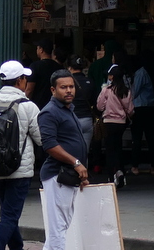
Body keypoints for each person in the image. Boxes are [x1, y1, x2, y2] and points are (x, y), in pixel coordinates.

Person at [0, 60, 43, 250]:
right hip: (20, 169)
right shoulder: (28, 106)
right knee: (10, 215)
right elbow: (41, 138)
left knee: (8, 214)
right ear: (20, 81)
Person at [38, 68, 90, 250]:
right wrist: (76, 163)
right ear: (53, 90)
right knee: (59, 227)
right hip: (57, 175)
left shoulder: (68, 110)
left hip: (69, 175)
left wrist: (80, 172)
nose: (69, 90)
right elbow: (50, 145)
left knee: (62, 224)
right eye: (63, 87)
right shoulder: (49, 112)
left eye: (71, 86)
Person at [96, 64, 134, 188]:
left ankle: (111, 176)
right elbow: (130, 109)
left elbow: (99, 107)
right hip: (121, 123)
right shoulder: (126, 91)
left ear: (112, 77)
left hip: (108, 122)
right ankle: (120, 171)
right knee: (118, 148)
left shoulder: (106, 90)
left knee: (109, 150)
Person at [130, 50, 154, 175]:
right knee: (151, 138)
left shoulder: (141, 72)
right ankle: (153, 166)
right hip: (153, 108)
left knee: (136, 138)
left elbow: (134, 92)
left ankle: (135, 166)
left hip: (139, 108)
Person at [67, 56, 96, 152]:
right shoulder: (90, 82)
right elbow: (95, 101)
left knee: (70, 152)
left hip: (71, 118)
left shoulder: (67, 84)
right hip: (87, 119)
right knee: (84, 152)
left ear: (69, 68)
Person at [27, 38, 62, 110]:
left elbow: (29, 89)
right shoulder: (59, 67)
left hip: (37, 106)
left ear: (41, 50)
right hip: (55, 106)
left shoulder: (35, 66)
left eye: (37, 48)